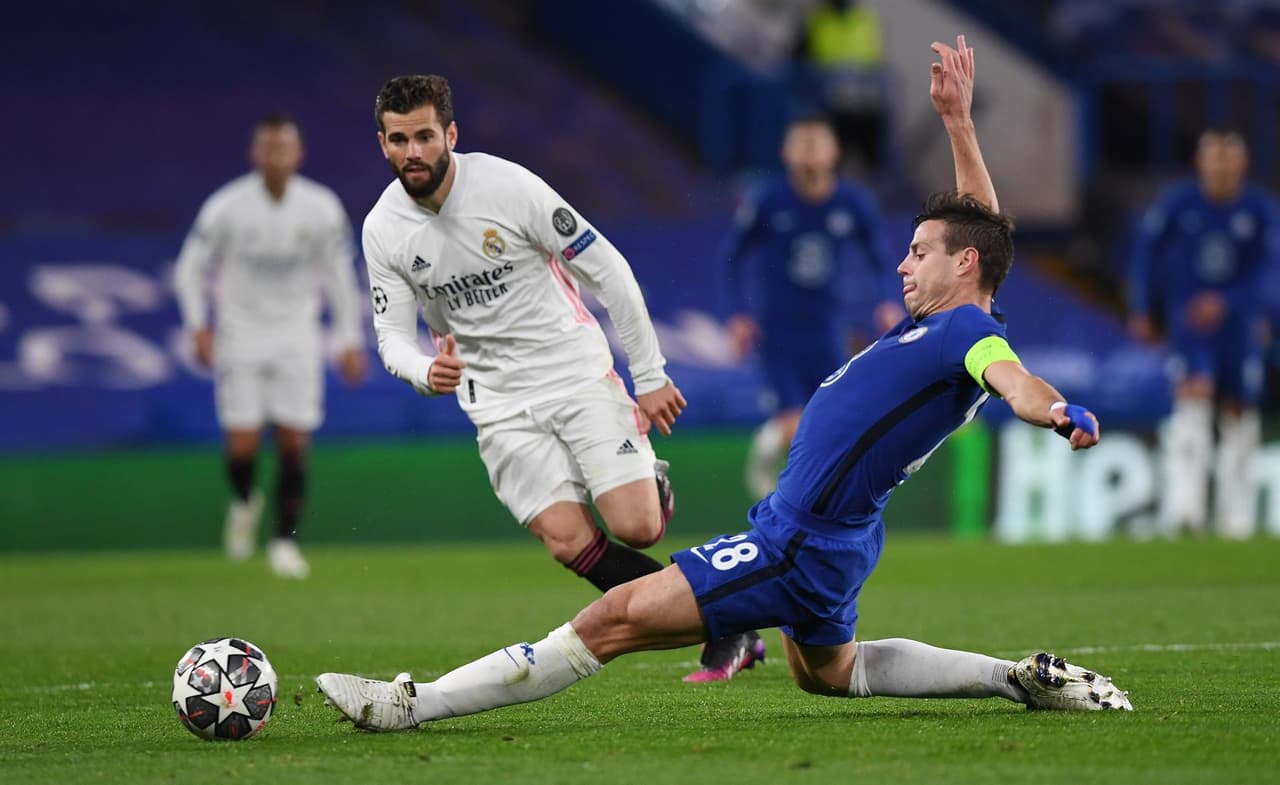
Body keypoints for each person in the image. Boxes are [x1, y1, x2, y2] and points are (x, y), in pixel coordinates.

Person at [316, 38, 1133, 730]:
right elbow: (982, 231)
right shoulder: (947, 313)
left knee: (612, 619)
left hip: (797, 541)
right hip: (830, 535)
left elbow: (1014, 380)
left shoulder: (968, 334)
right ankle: (1015, 677)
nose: (902, 264)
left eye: (918, 253)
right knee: (829, 670)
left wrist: (1056, 409)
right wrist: (957, 123)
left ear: (962, 267)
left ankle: (412, 704)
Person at [360, 75, 762, 681]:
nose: (412, 152)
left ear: (451, 134)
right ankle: (726, 623)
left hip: (573, 372)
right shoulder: (383, 229)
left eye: (424, 136)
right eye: (398, 140)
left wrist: (650, 376)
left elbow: (610, 271)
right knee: (569, 542)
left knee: (637, 527)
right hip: (495, 401)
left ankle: (651, 488)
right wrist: (423, 369)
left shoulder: (508, 187)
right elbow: (391, 337)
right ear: (383, 144)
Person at [173, 112, 367, 579]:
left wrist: (349, 339)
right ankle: (244, 500)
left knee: (294, 440)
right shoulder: (227, 206)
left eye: (285, 149)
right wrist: (198, 325)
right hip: (240, 335)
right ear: (255, 154)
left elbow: (340, 277)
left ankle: (284, 542)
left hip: (297, 335)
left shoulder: (321, 207)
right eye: (269, 149)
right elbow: (189, 268)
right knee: (241, 445)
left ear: (298, 154)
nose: (277, 158)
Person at [723, 112, 903, 503]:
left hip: (827, 331)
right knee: (796, 427)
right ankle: (780, 473)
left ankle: (804, 498)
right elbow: (732, 254)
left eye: (816, 144)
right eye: (800, 145)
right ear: (784, 153)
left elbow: (878, 255)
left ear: (833, 151)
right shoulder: (769, 199)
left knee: (831, 426)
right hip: (779, 333)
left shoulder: (852, 202)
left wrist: (887, 300)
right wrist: (738, 313)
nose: (808, 154)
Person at [1128, 129, 1277, 538]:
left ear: (1243, 164)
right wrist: (1144, 308)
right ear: (1200, 162)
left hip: (1240, 326)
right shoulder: (1177, 204)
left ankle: (1236, 519)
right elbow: (1146, 255)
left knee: (1239, 415)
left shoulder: (1259, 210)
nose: (1220, 168)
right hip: (1191, 323)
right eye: (1213, 158)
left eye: (1228, 159)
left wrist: (1230, 302)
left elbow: (1270, 271)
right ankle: (1186, 512)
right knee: (1192, 404)